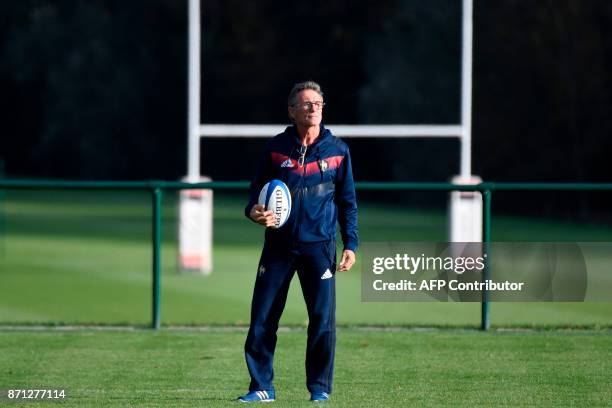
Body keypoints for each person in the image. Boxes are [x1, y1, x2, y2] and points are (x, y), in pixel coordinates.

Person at [238, 81, 358, 403]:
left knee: (322, 321)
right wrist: (254, 211)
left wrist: (350, 244)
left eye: (318, 103)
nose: (314, 108)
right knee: (263, 318)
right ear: (292, 110)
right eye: (306, 103)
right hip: (278, 247)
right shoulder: (276, 149)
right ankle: (261, 387)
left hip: (319, 248)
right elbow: (254, 195)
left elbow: (348, 203)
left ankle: (319, 388)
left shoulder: (338, 151)